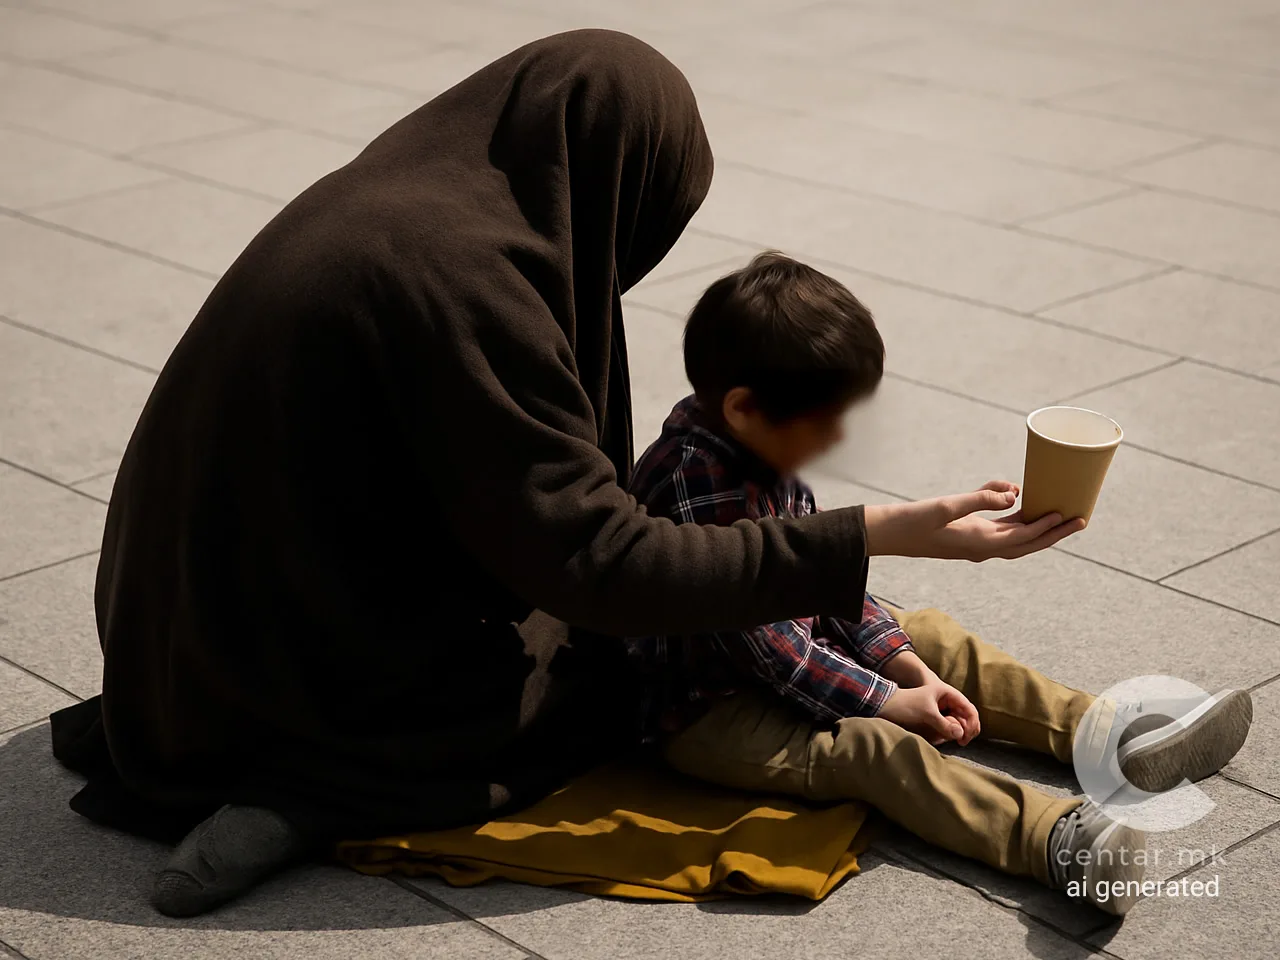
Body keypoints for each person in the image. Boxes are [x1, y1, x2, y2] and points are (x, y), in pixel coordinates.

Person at [49, 31, 1087, 919]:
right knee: (599, 678)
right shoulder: (464, 283)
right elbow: (600, 562)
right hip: (273, 675)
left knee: (625, 634)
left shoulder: (422, 202)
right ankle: (302, 799)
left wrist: (870, 617)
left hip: (189, 634)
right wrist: (876, 539)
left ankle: (1099, 731)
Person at [625, 251, 1254, 916]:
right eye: (825, 424)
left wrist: (908, 667)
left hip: (782, 657)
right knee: (871, 746)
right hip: (705, 710)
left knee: (928, 633)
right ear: (745, 407)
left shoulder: (756, 443)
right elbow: (767, 647)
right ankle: (1051, 838)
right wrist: (886, 701)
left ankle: (1110, 734)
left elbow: (822, 573)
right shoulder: (699, 483)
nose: (839, 439)